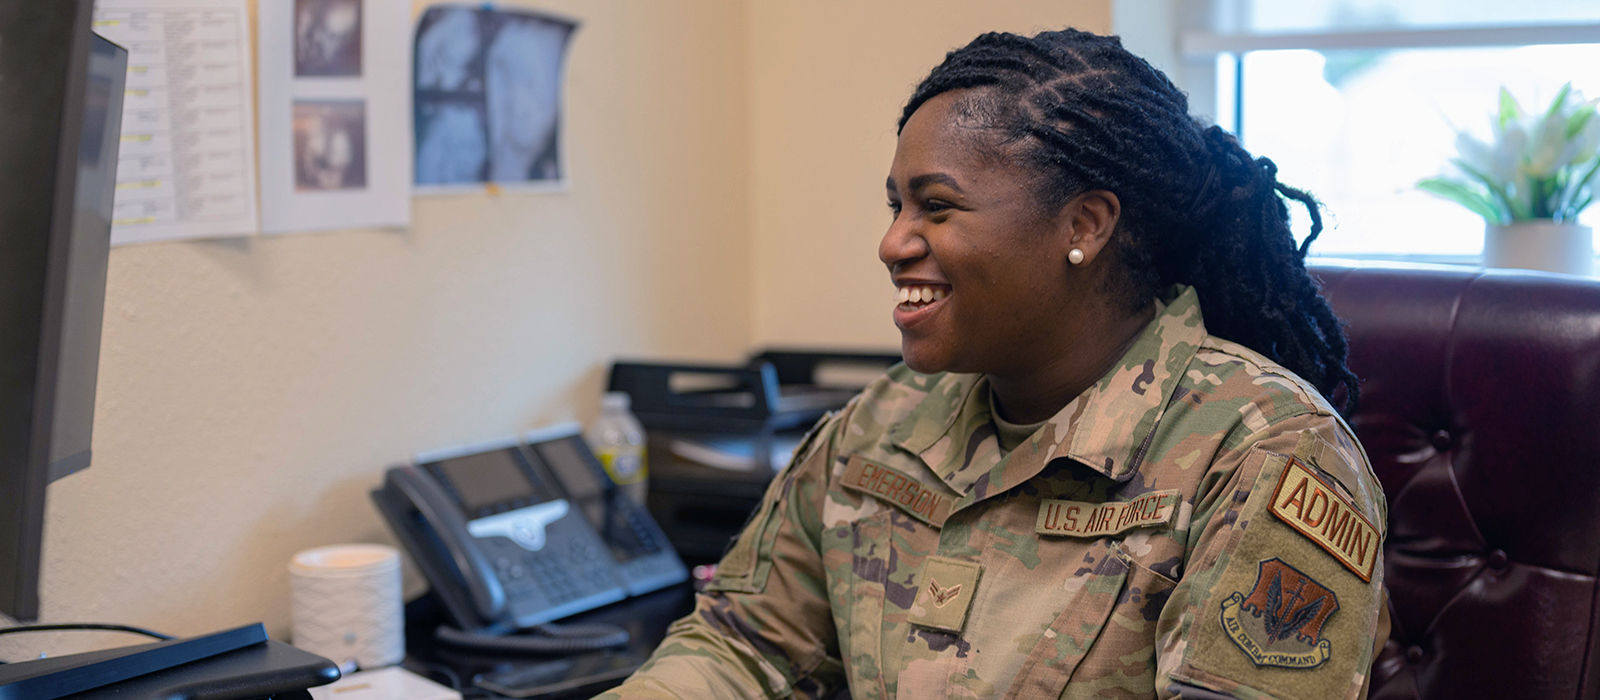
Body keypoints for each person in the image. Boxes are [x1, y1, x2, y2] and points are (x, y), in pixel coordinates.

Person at [599, 28, 1388, 700]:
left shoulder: (1265, 454)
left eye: (936, 206)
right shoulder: (884, 423)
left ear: (1084, 223)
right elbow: (744, 646)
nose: (894, 242)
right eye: (896, 206)